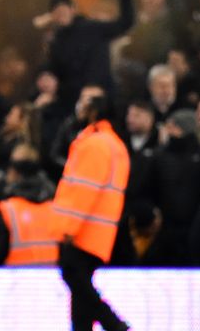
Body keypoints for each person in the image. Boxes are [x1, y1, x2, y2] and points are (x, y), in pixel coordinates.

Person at [51, 94, 131, 331]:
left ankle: (113, 323)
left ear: (95, 112)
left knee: (73, 276)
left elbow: (84, 191)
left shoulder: (95, 144)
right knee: (80, 291)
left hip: (83, 231)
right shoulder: (114, 144)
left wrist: (67, 229)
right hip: (100, 231)